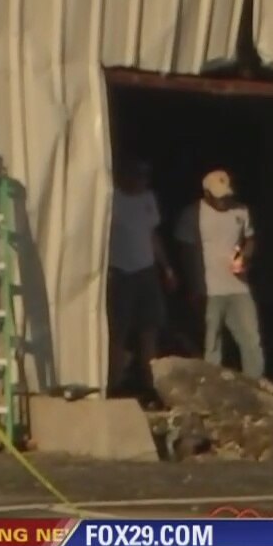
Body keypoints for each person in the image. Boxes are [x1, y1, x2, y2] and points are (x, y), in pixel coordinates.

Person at [174, 169, 264, 378]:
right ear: (207, 194)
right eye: (219, 197)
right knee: (212, 341)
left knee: (251, 338)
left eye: (227, 195)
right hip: (209, 288)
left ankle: (256, 382)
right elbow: (186, 251)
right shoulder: (193, 214)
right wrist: (195, 285)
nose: (224, 200)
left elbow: (250, 239)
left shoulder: (241, 211)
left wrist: (245, 257)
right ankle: (211, 383)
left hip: (239, 285)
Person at [106, 159, 174, 395]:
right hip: (120, 271)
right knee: (119, 331)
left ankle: (150, 385)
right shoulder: (112, 198)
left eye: (145, 177)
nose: (142, 181)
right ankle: (113, 384)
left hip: (146, 271)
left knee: (150, 328)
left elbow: (152, 234)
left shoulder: (148, 198)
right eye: (138, 176)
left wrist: (166, 267)